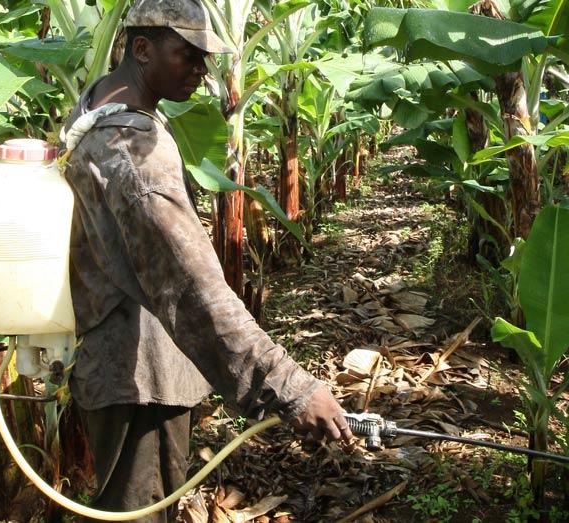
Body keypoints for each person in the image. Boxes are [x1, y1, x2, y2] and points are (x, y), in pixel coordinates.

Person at [60, 1, 352, 520]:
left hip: (119, 358)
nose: (202, 70)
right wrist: (291, 389)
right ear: (142, 48)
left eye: (205, 58)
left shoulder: (96, 107)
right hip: (139, 377)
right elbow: (193, 287)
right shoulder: (135, 152)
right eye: (187, 55)